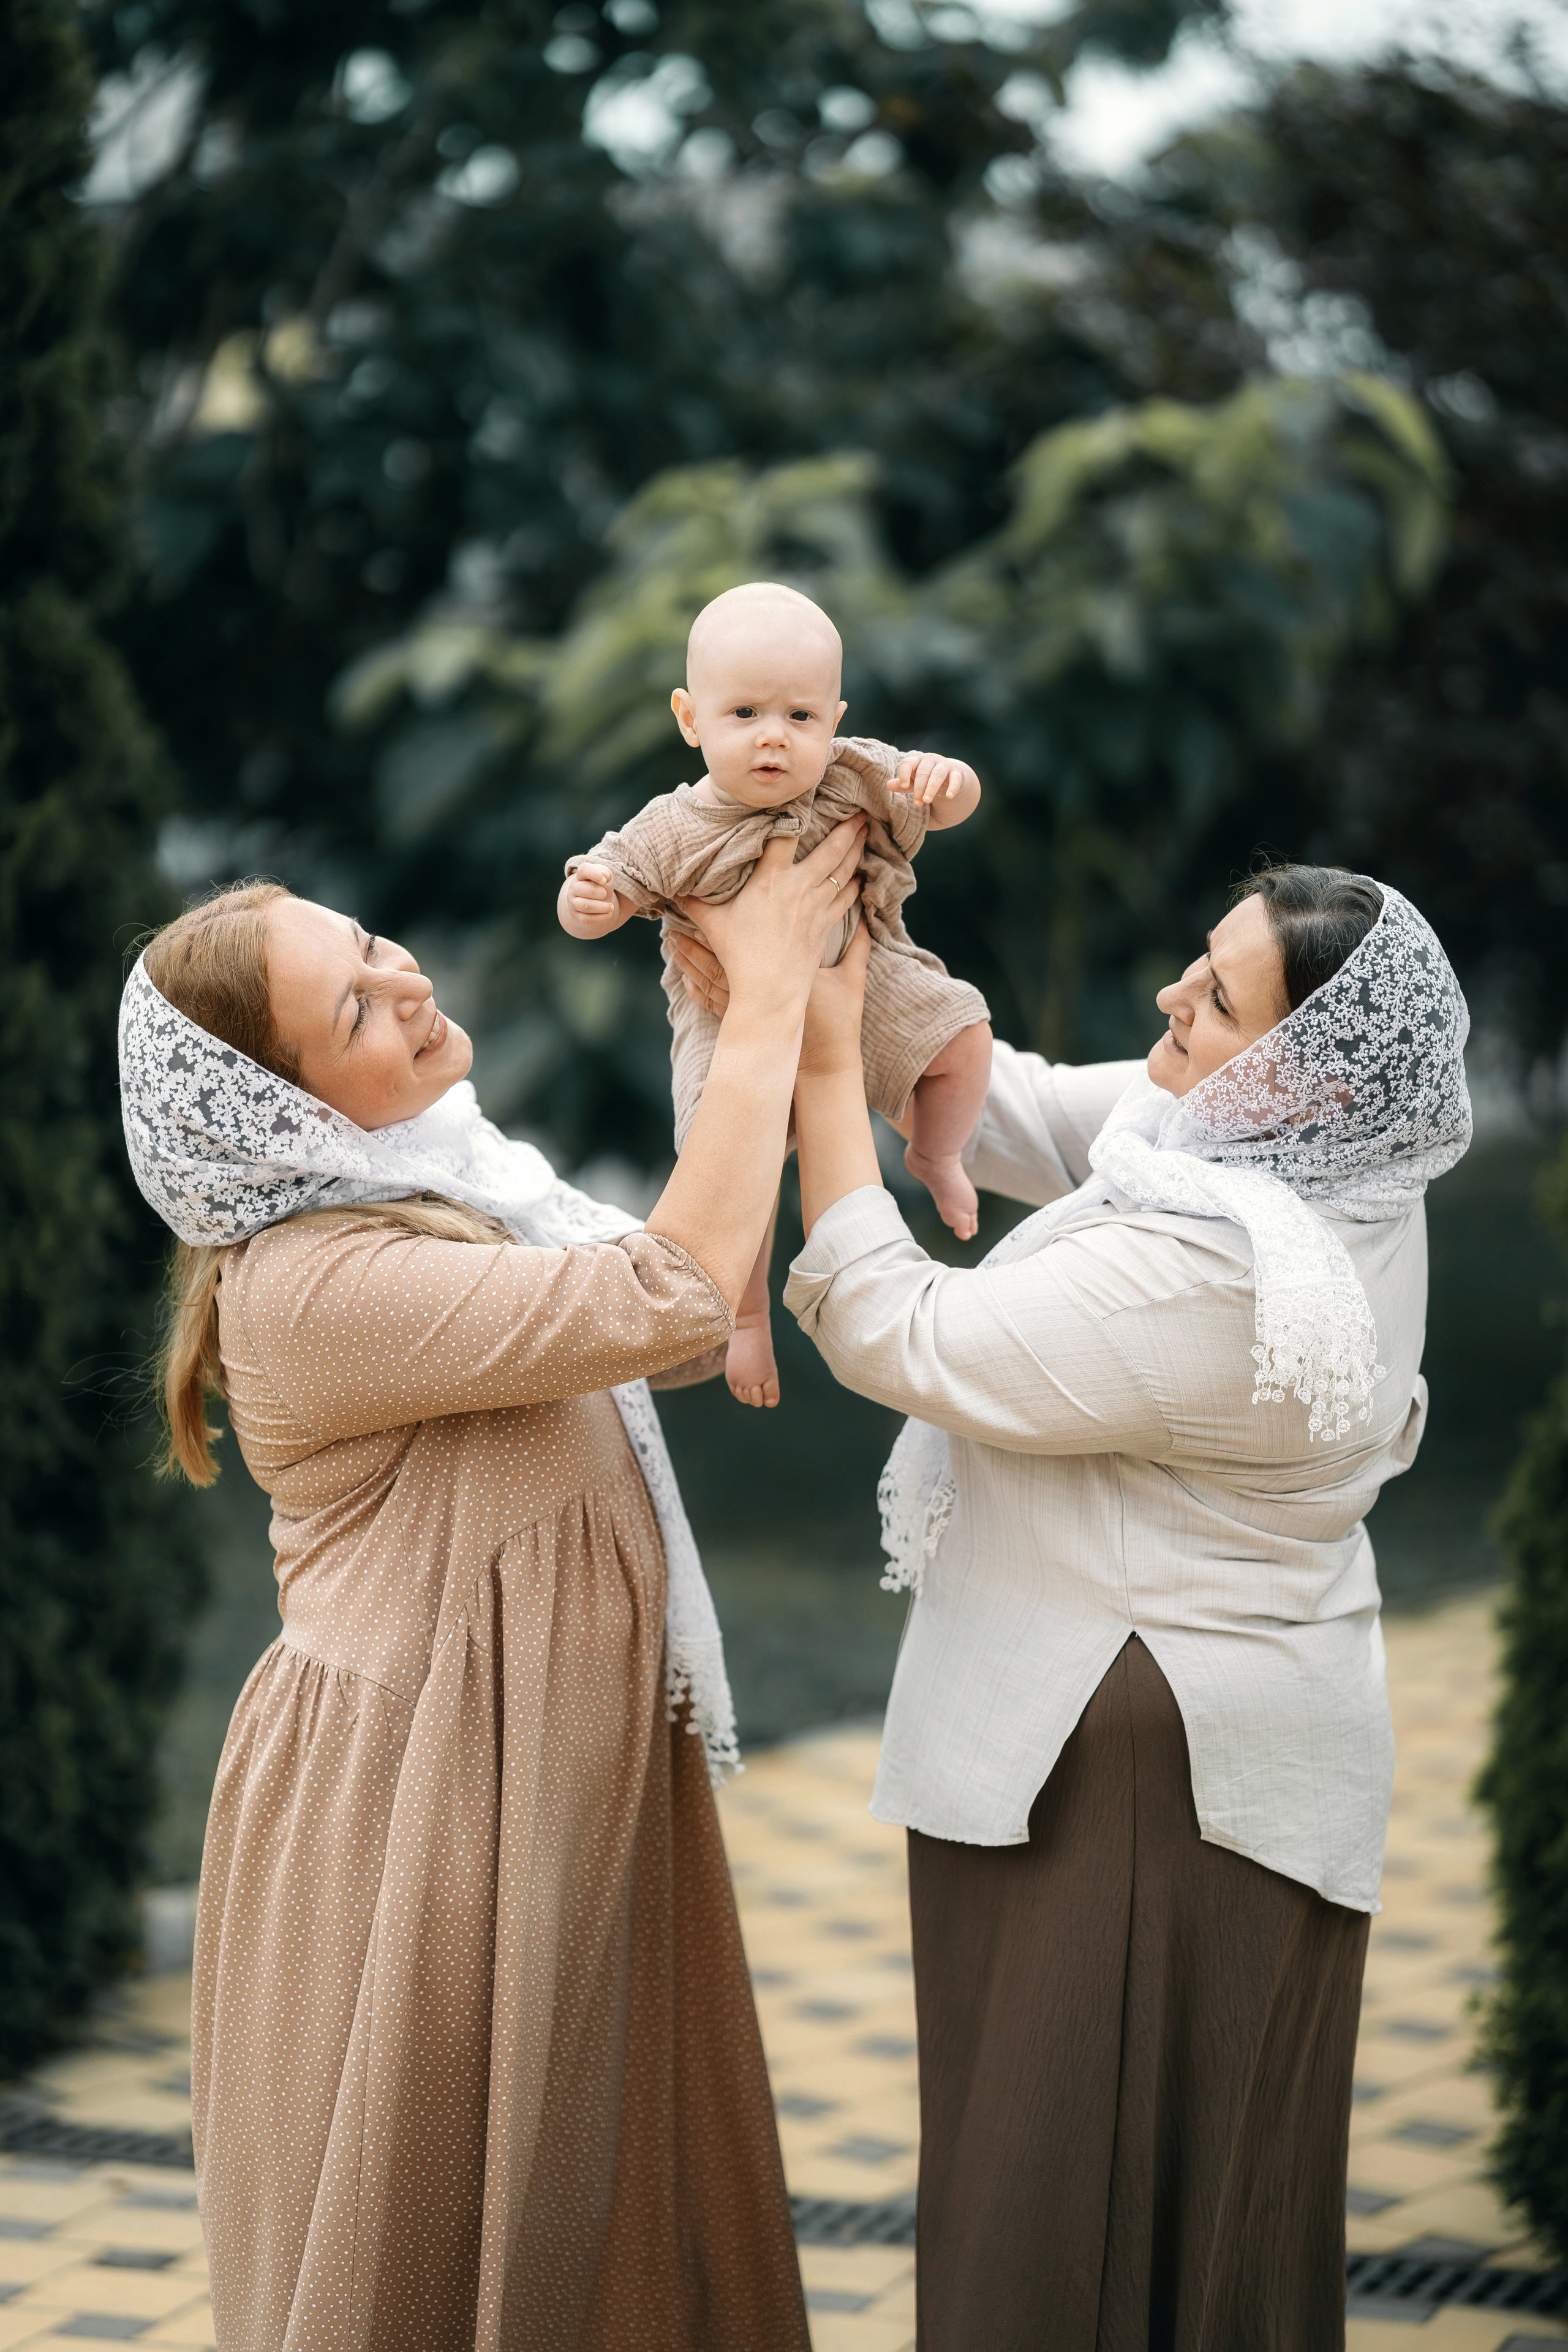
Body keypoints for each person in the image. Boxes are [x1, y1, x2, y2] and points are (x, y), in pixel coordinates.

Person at [674, 862, 1472, 2350]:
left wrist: (832, 1058)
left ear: (1307, 1077)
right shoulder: (1292, 1152)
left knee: (1058, 2224)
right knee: (1168, 2217)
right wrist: (833, 896)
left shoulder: (1222, 1273)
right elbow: (1021, 1102)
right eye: (1198, 958)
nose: (1174, 998)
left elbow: (898, 1328)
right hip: (1212, 1755)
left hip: (1134, 1787)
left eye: (1217, 998)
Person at [118, 814, 865, 2352]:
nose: (403, 981)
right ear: (285, 1109)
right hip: (428, 1792)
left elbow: (673, 1279)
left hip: (532, 1761)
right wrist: (773, 995)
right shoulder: (319, 1279)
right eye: (352, 1007)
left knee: (592, 2195)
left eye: (371, 946)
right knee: (440, 2223)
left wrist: (749, 989)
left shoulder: (453, 1182)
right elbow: (664, 1297)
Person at [559, 579, 992, 1408]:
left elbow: (945, 804)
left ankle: (937, 1152)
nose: (774, 739)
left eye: (800, 717)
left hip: (868, 977)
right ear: (690, 720)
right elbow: (609, 880)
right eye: (745, 714)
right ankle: (747, 1316)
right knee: (733, 1168)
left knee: (966, 1035)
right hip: (729, 1015)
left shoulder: (854, 772)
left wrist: (950, 780)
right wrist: (589, 902)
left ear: (835, 718)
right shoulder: (673, 825)